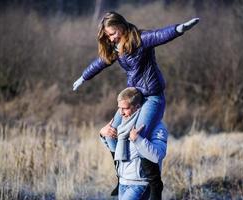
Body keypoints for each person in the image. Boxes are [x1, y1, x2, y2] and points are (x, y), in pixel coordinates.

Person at [73, 11, 199, 198]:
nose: (112, 37)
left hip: (152, 97)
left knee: (141, 136)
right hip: (134, 97)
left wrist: (180, 29)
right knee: (111, 132)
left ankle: (155, 185)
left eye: (114, 32)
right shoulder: (116, 48)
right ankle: (120, 177)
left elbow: (160, 35)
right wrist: (83, 77)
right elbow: (100, 63)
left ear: (122, 26)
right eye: (108, 35)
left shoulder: (141, 39)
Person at [99, 87, 168, 200]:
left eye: (125, 108)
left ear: (137, 106)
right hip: (123, 182)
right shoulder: (123, 125)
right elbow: (116, 151)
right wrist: (103, 134)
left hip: (140, 184)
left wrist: (138, 140)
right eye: (119, 108)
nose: (121, 113)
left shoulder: (156, 127)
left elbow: (158, 155)